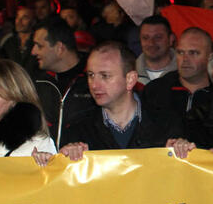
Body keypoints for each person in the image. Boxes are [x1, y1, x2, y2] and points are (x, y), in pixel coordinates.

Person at [47, 42, 179, 160]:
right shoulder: (78, 130)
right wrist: (68, 159)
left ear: (130, 80)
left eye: (105, 76)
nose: (94, 85)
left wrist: (181, 152)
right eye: (91, 75)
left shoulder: (166, 124)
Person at [31, 17, 96, 147]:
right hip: (46, 163)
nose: (33, 51)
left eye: (39, 46)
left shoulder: (93, 80)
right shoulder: (38, 83)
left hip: (84, 163)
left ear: (59, 48)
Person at [143, 27, 213, 117]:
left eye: (193, 53)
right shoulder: (155, 91)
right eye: (180, 52)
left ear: (210, 57)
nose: (185, 59)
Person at [135, 15, 177, 85]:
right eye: (145, 38)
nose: (151, 43)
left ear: (171, 39)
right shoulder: (128, 73)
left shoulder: (186, 73)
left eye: (158, 37)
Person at [0, 4, 37, 69]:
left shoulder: (38, 42)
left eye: (25, 18)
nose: (19, 21)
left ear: (33, 21)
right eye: (17, 17)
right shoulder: (8, 42)